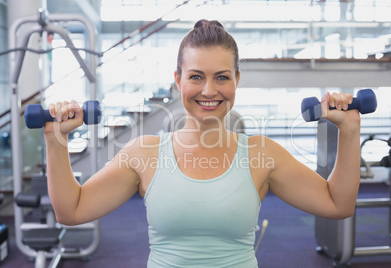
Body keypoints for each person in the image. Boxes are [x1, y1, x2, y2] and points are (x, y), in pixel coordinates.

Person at [44, 20, 361, 268]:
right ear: (177, 80)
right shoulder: (143, 154)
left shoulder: (262, 155)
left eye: (222, 77)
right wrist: (55, 138)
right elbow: (71, 211)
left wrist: (349, 130)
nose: (209, 90)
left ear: (237, 79)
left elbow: (338, 204)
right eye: (196, 77)